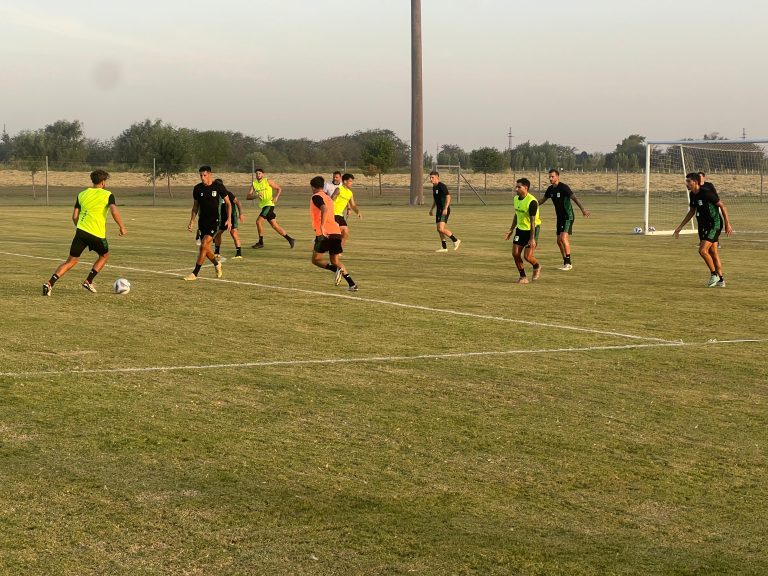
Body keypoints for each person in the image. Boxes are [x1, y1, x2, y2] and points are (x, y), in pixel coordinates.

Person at [42, 169, 126, 295]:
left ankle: (50, 283)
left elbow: (74, 217)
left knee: (71, 261)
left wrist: (81, 227)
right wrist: (122, 226)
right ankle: (88, 281)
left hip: (81, 232)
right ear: (103, 182)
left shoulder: (82, 194)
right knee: (104, 255)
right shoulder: (108, 195)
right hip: (97, 234)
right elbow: (114, 211)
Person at [673, 172, 733, 287]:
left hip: (714, 224)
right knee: (713, 252)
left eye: (688, 181)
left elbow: (722, 206)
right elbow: (691, 212)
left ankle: (714, 274)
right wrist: (680, 226)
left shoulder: (706, 193)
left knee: (702, 251)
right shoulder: (692, 195)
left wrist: (727, 224)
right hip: (703, 226)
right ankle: (721, 280)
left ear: (695, 182)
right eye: (686, 181)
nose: (686, 184)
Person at [309, 175, 358, 291]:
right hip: (336, 232)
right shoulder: (328, 198)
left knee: (315, 259)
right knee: (335, 260)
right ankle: (352, 284)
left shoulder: (316, 197)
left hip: (325, 234)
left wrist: (321, 227)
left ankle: (335, 270)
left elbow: (324, 209)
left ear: (313, 187)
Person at [539, 168, 590, 270]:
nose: (550, 178)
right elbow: (542, 201)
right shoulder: (550, 189)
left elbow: (574, 198)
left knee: (563, 238)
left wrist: (583, 210)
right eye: (549, 176)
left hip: (568, 216)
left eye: (552, 176)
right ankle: (565, 261)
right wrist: (531, 204)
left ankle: (568, 263)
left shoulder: (564, 187)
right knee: (558, 241)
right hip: (560, 217)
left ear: (557, 176)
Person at [185, 165, 230, 281]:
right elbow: (195, 207)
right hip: (202, 222)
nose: (202, 178)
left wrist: (229, 219)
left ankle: (195, 273)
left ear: (210, 174)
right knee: (206, 248)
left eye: (204, 175)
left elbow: (228, 203)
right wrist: (192, 221)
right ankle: (217, 264)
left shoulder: (218, 186)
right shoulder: (197, 189)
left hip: (214, 221)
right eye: (200, 175)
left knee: (204, 245)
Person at [246, 168, 295, 249]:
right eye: (257, 173)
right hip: (263, 206)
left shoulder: (267, 181)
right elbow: (248, 196)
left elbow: (279, 188)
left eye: (260, 173)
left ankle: (260, 242)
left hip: (269, 205)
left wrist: (276, 197)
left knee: (258, 221)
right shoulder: (254, 184)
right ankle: (290, 239)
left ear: (263, 174)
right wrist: (256, 195)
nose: (258, 175)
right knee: (275, 226)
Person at [504, 178, 541, 284]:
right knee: (515, 253)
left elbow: (533, 222)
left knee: (527, 256)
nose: (516, 189)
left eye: (518, 187)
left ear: (526, 188)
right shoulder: (516, 199)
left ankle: (536, 266)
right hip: (520, 229)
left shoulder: (532, 202)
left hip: (532, 229)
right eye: (516, 187)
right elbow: (516, 215)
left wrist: (532, 238)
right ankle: (523, 277)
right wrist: (511, 230)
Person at [428, 170, 461, 252]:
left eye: (432, 177)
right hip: (438, 210)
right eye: (430, 177)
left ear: (437, 177)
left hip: (444, 210)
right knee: (438, 229)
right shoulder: (434, 187)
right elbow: (435, 200)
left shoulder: (442, 186)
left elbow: (448, 197)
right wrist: (432, 209)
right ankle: (444, 247)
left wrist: (445, 208)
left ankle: (455, 240)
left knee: (441, 229)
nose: (431, 179)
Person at [212, 178, 245, 260]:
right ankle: (216, 252)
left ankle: (238, 253)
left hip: (231, 217)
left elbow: (238, 203)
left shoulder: (228, 193)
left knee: (233, 233)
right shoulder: (215, 195)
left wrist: (241, 214)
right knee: (218, 234)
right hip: (222, 218)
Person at [331, 173, 362, 245]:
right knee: (337, 233)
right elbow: (330, 200)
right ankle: (320, 242)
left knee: (345, 234)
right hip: (332, 214)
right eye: (350, 181)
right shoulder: (338, 189)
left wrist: (358, 212)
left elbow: (353, 205)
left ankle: (338, 249)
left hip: (340, 215)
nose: (351, 183)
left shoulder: (350, 193)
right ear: (345, 181)